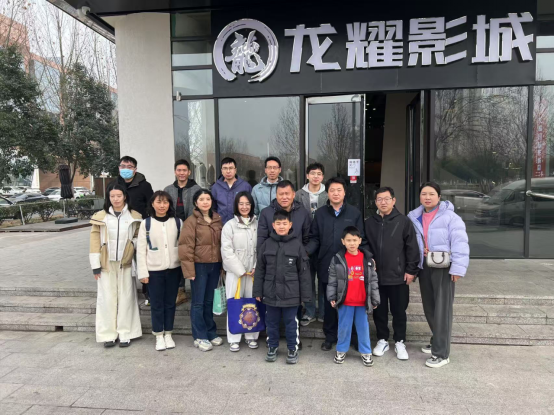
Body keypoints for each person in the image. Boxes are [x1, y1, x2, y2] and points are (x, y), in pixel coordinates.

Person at [408, 182, 470, 369]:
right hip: (425, 266)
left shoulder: (451, 217)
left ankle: (441, 353)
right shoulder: (414, 217)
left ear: (439, 197)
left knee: (442, 309)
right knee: (429, 306)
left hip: (444, 267)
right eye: (424, 194)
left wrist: (457, 269)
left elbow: (460, 243)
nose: (427, 197)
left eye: (431, 194)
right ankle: (437, 339)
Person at [306, 177, 368, 352]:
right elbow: (314, 238)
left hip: (350, 265)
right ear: (327, 193)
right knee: (329, 303)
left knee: (352, 302)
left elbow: (361, 239)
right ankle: (330, 337)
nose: (335, 193)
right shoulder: (320, 214)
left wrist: (368, 258)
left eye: (339, 190)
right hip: (327, 264)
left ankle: (354, 337)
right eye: (332, 190)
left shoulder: (354, 213)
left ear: (344, 192)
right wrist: (306, 252)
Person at [365, 187, 420, 361]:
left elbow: (412, 247)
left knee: (399, 311)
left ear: (393, 201)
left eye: (387, 199)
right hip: (376, 276)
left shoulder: (403, 221)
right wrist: (369, 257)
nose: (383, 202)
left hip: (398, 276)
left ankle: (400, 341)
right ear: (375, 202)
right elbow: (364, 243)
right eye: (379, 199)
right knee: (379, 311)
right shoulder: (369, 222)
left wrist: (411, 270)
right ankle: (382, 339)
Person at [253, 210, 311, 365]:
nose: (281, 226)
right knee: (271, 322)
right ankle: (272, 346)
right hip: (270, 293)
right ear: (273, 225)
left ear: (290, 225)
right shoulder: (266, 244)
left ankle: (292, 349)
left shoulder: (297, 245)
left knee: (291, 323)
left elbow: (304, 273)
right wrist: (258, 291)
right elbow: (260, 270)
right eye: (278, 223)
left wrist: (305, 296)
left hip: (291, 294)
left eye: (284, 223)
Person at [89, 185, 143, 348]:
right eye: (112, 196)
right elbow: (94, 241)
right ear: (108, 197)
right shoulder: (100, 217)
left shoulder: (134, 216)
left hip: (125, 263)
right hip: (106, 263)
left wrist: (132, 246)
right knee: (106, 298)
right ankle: (108, 334)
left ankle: (126, 333)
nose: (116, 199)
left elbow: (138, 237)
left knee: (127, 297)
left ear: (125, 196)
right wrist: (95, 265)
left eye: (119, 195)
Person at [327, 226, 380, 367]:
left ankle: (366, 352)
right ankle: (341, 350)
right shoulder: (338, 259)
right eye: (348, 240)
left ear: (360, 241)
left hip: (362, 301)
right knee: (344, 327)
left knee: (363, 328)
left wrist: (375, 299)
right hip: (345, 301)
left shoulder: (368, 259)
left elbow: (373, 281)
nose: (352, 243)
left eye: (355, 240)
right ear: (343, 241)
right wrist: (332, 296)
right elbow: (332, 280)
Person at [179, 189, 224, 353]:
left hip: (215, 265)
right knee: (198, 302)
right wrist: (189, 271)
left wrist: (222, 266)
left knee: (209, 301)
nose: (205, 202)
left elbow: (222, 244)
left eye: (208, 199)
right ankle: (199, 336)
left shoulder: (217, 219)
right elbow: (185, 247)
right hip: (199, 266)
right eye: (201, 199)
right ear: (196, 202)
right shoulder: (191, 222)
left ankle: (211, 332)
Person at [137, 191, 182, 352]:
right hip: (154, 271)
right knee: (156, 304)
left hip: (174, 269)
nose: (162, 205)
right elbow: (141, 250)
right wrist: (143, 273)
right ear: (152, 204)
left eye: (165, 202)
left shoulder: (177, 222)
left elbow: (182, 245)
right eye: (159, 202)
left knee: (170, 303)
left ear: (169, 204)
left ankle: (168, 333)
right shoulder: (146, 223)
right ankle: (158, 335)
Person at [221, 192, 259, 352]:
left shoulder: (257, 224)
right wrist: (240, 270)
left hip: (253, 273)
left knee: (252, 303)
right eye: (241, 204)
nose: (244, 207)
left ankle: (251, 336)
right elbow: (226, 251)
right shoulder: (229, 225)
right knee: (234, 303)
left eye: (247, 204)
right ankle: (234, 338)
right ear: (236, 205)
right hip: (235, 273)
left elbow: (261, 247)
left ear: (252, 205)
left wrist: (256, 267)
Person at [295, 163, 328, 327]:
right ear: (307, 175)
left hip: (324, 243)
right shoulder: (298, 195)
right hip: (305, 243)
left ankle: (323, 312)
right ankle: (309, 311)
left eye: (319, 173)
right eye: (313, 173)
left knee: (323, 280)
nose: (316, 176)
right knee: (307, 280)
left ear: (323, 177)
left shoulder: (328, 195)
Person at [164, 159, 201, 306]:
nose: (181, 173)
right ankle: (179, 291)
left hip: (191, 229)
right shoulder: (168, 189)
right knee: (175, 259)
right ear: (175, 172)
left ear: (189, 172)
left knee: (190, 258)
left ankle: (192, 290)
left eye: (184, 170)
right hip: (173, 230)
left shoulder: (196, 189)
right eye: (179, 170)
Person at [257, 180, 311, 249]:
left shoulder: (302, 212)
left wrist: (303, 253)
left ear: (293, 194)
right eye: (281, 194)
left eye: (287, 194)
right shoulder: (266, 213)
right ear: (276, 195)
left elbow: (307, 238)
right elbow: (261, 239)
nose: (284, 197)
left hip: (296, 254)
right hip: (272, 254)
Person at [211, 157, 253, 225]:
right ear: (221, 170)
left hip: (241, 225)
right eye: (225, 168)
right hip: (221, 225)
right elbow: (213, 208)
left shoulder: (245, 186)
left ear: (235, 170)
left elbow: (251, 206)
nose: (228, 171)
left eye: (231, 168)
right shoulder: (216, 187)